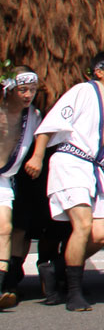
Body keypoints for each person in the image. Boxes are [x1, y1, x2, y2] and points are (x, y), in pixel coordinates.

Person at [25, 52, 104, 312]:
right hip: (71, 163)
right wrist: (38, 156)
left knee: (101, 235)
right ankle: (73, 291)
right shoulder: (82, 91)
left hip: (95, 169)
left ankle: (57, 267)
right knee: (82, 225)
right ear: (98, 71)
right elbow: (52, 123)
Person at [0, 67, 41, 308]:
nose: (28, 95)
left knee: (6, 228)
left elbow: (47, 133)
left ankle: (4, 285)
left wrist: (37, 155)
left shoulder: (33, 116)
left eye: (32, 90)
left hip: (4, 179)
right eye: (23, 89)